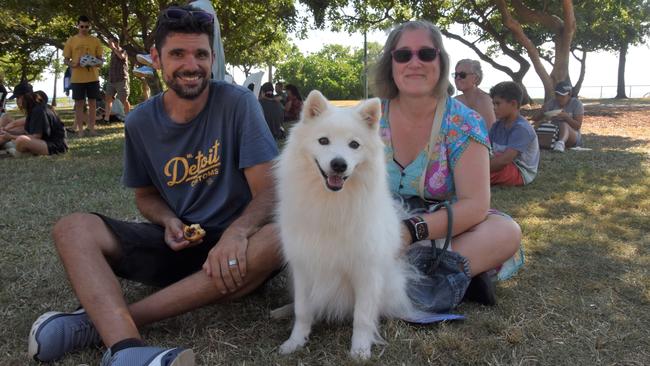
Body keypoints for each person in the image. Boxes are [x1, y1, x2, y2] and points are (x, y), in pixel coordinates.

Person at [28, 5, 282, 365]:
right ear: (157, 59)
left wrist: (237, 233)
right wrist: (168, 221)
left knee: (280, 238)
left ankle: (109, 326)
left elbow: (270, 190)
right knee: (73, 229)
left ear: (212, 59)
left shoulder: (237, 104)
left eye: (201, 54)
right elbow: (146, 196)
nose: (191, 65)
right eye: (178, 53)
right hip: (181, 247)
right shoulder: (140, 122)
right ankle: (128, 351)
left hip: (239, 253)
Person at [373, 20, 522, 311]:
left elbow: (475, 205)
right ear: (390, 63)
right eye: (403, 55)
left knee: (506, 232)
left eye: (426, 54)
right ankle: (437, 281)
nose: (414, 63)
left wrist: (409, 232)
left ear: (440, 61)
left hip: (435, 231)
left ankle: (392, 287)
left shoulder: (464, 122)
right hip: (372, 227)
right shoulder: (367, 116)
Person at [488, 82, 539, 186]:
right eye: (493, 104)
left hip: (519, 171)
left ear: (513, 104)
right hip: (499, 163)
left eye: (498, 104)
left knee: (477, 176)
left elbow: (504, 160)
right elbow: (487, 150)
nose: (494, 108)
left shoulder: (522, 129)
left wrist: (479, 169)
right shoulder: (496, 126)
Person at [0, 81, 67, 156]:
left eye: (18, 98)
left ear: (25, 97)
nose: (17, 101)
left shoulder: (39, 110)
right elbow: (26, 131)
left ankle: (15, 152)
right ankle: (13, 151)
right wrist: (7, 133)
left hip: (56, 146)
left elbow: (36, 136)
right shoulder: (34, 109)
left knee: (21, 140)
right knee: (17, 137)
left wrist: (10, 136)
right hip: (46, 143)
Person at [63, 15, 103, 137]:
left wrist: (93, 61)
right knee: (79, 105)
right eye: (82, 26)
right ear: (77, 26)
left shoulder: (95, 40)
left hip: (93, 78)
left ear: (89, 26)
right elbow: (65, 60)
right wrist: (73, 64)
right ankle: (80, 130)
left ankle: (91, 129)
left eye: (86, 26)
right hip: (77, 79)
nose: (84, 28)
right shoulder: (71, 40)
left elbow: (101, 61)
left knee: (93, 104)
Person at [531, 80, 584, 152]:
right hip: (554, 133)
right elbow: (534, 119)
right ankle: (533, 142)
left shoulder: (576, 104)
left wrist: (567, 117)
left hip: (573, 136)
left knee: (563, 124)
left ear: (569, 94)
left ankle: (560, 143)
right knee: (540, 124)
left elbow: (577, 126)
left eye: (562, 95)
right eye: (557, 95)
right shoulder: (552, 102)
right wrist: (542, 111)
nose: (559, 98)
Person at [453, 59, 496, 129]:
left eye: (462, 75)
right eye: (456, 75)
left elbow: (490, 132)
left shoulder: (485, 100)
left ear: (475, 78)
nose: (457, 78)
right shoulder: (456, 101)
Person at [104, 36, 131, 123]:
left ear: (116, 42)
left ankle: (129, 118)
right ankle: (106, 119)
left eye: (110, 42)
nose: (109, 44)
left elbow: (121, 57)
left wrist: (114, 48)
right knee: (108, 98)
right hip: (112, 80)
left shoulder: (122, 51)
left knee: (124, 100)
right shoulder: (112, 53)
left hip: (121, 79)